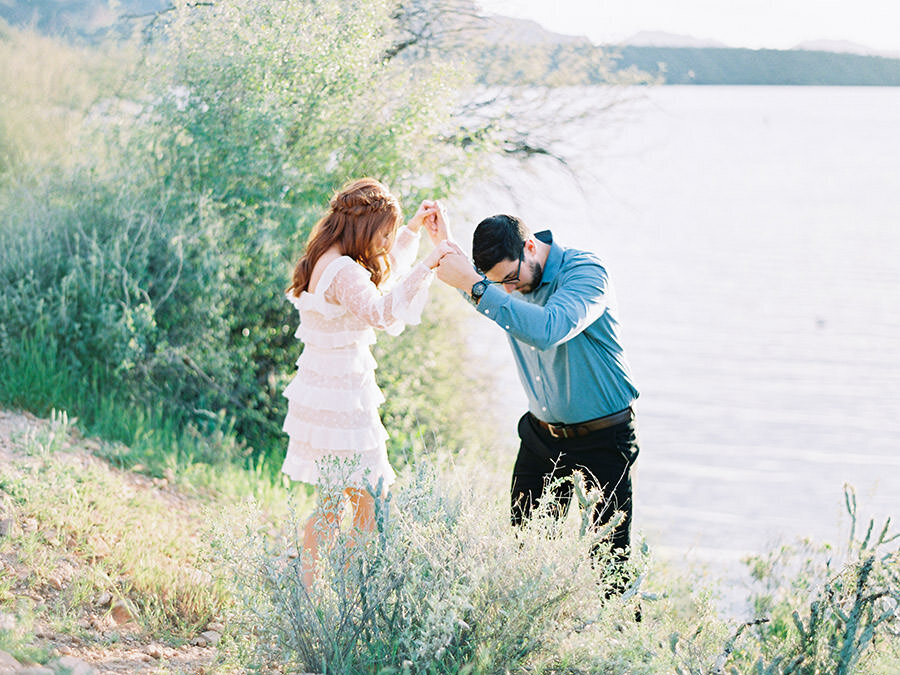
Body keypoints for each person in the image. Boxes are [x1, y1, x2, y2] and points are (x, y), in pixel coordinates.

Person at [432, 211, 640, 567]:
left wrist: (478, 286)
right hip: (541, 438)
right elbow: (480, 291)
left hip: (603, 437)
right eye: (500, 284)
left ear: (530, 246)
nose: (508, 290)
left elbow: (549, 329)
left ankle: (621, 625)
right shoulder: (501, 282)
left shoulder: (586, 272)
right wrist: (448, 253)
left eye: (511, 278)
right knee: (524, 554)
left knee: (609, 564)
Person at [281, 177, 451, 586]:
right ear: (365, 227)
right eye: (385, 232)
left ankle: (314, 591)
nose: (385, 242)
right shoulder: (344, 272)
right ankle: (340, 594)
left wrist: (411, 232)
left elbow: (378, 287)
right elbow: (382, 311)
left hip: (327, 396)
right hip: (343, 401)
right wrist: (428, 264)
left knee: (340, 502)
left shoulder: (324, 256)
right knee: (368, 502)